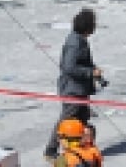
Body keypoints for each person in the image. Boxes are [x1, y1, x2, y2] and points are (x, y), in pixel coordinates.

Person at [44, 9, 104, 160]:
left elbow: (83, 62)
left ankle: (79, 146)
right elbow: (69, 67)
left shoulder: (80, 40)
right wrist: (90, 73)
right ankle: (51, 150)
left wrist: (94, 71)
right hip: (73, 89)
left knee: (82, 118)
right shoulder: (75, 43)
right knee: (67, 119)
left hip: (80, 89)